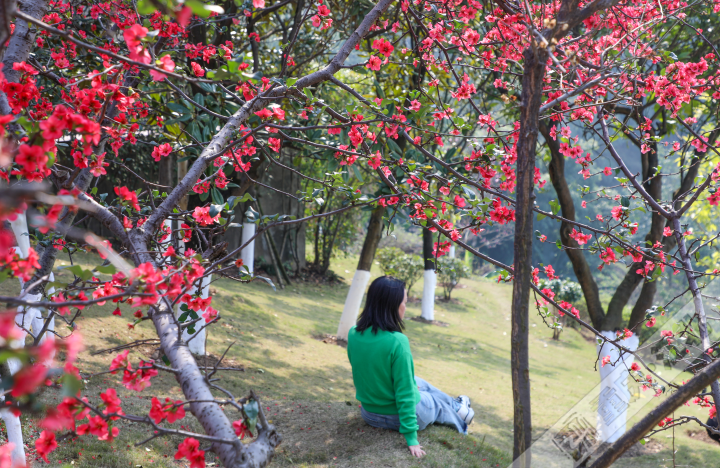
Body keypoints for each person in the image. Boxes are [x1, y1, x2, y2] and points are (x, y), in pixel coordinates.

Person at [346, 275, 474, 458]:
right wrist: (411, 439)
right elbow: (405, 394)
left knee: (416, 381)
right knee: (434, 402)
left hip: (369, 414)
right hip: (396, 417)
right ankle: (462, 422)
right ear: (393, 306)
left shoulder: (353, 333)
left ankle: (458, 406)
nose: (405, 307)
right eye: (404, 302)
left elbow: (364, 373)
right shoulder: (397, 342)